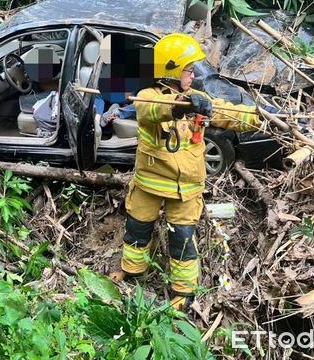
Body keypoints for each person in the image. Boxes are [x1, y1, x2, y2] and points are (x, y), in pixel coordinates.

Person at [110, 33, 262, 312]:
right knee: (136, 233)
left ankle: (183, 291)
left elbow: (226, 113)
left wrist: (258, 118)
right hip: (149, 186)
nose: (192, 76)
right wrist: (182, 108)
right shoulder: (149, 96)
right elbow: (149, 111)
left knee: (182, 240)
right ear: (171, 71)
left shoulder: (199, 98)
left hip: (185, 190)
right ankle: (131, 273)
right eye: (188, 71)